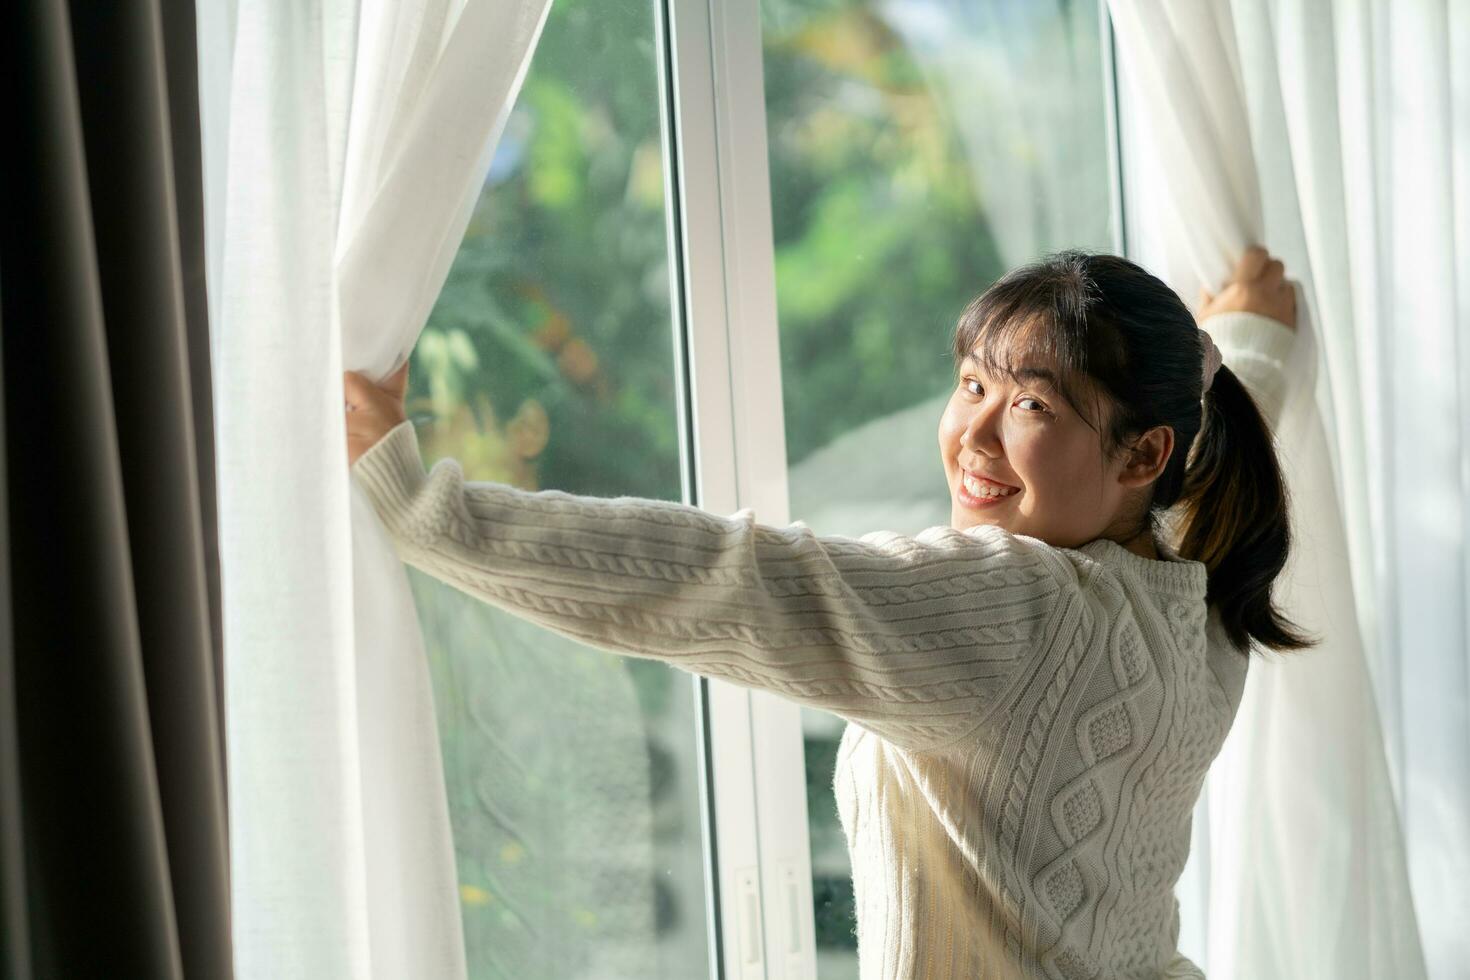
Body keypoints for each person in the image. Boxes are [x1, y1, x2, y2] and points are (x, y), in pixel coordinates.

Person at [342, 246, 1311, 979]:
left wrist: (427, 515)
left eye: (1032, 407)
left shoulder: (1012, 606)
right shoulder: (1195, 591)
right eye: (971, 383)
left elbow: (729, 578)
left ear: (1143, 454)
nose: (971, 431)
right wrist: (1248, 345)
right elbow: (1212, 451)